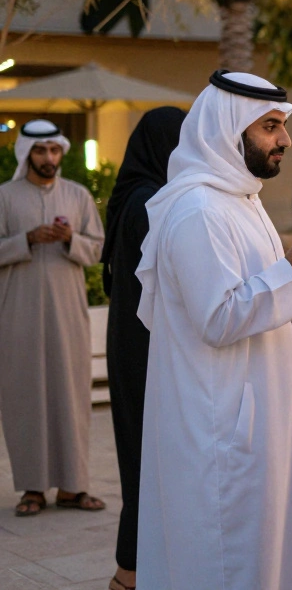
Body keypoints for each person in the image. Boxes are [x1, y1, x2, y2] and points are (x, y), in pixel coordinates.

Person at [134, 71, 292, 590]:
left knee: (266, 554)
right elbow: (217, 317)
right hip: (225, 427)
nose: (285, 141)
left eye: (282, 126)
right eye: (270, 127)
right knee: (228, 560)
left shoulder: (240, 201)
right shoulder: (198, 211)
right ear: (230, 131)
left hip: (255, 418)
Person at [0, 119, 106, 517]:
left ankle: (73, 488)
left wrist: (69, 241)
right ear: (26, 154)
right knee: (25, 397)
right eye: (41, 151)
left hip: (67, 316)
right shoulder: (5, 197)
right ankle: (32, 489)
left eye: (55, 150)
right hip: (18, 314)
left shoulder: (77, 196)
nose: (49, 158)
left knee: (71, 396)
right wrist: (25, 240)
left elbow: (97, 250)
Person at [100, 106, 186, 590]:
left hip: (134, 344)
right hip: (146, 351)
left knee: (146, 462)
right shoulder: (149, 202)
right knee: (146, 465)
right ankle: (127, 574)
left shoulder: (138, 194)